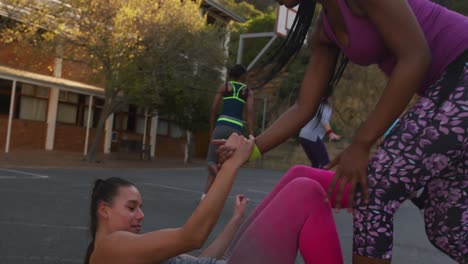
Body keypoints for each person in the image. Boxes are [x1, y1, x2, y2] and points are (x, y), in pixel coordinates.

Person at [216, 0, 468, 263]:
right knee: (447, 228)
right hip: (450, 89)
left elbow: (416, 57)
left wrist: (361, 144)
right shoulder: (325, 30)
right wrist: (249, 150)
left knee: (376, 187)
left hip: (462, 72)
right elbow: (304, 107)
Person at [84, 134, 346, 264]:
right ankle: (374, 192)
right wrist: (234, 163)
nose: (140, 215)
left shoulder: (128, 249)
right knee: (304, 191)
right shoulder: (109, 248)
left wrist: (235, 220)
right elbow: (192, 235)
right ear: (104, 210)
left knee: (297, 174)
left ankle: (369, 192)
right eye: (131, 207)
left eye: (139, 208)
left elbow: (202, 256)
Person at [201, 64, 254, 200]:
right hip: (236, 129)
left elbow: (213, 109)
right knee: (223, 162)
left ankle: (219, 177)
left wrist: (212, 128)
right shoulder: (247, 91)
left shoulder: (224, 86)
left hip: (222, 125)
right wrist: (251, 135)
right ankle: (206, 196)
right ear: (243, 76)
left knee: (211, 161)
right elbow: (250, 113)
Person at [299, 101, 341, 168]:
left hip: (303, 136)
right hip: (312, 137)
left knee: (316, 163)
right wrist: (330, 133)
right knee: (326, 163)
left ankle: (311, 177)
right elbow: (324, 120)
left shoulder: (316, 105)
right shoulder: (326, 107)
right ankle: (320, 178)